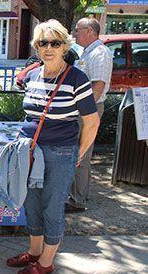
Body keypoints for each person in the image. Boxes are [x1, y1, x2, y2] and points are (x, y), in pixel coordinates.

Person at [6, 19, 100, 274]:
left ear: (64, 45)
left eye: (54, 43)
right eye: (43, 43)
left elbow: (92, 122)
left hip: (60, 152)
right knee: (32, 203)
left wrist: (77, 155)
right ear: (37, 47)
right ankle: (34, 251)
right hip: (30, 151)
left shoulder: (76, 78)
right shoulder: (34, 75)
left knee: (52, 206)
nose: (48, 48)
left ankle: (47, 261)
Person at [67, 17, 113, 213]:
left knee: (82, 153)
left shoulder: (100, 53)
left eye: (78, 30)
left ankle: (77, 199)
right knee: (79, 152)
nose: (75, 33)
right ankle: (77, 194)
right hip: (84, 109)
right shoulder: (89, 52)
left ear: (89, 31)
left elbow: (98, 85)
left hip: (88, 110)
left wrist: (84, 110)